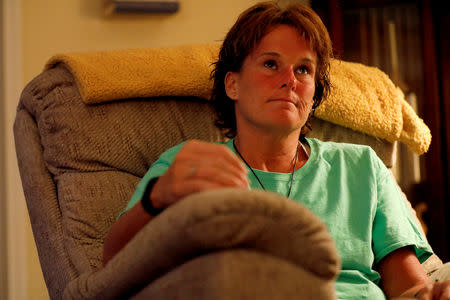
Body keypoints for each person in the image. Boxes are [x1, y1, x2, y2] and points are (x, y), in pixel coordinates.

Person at [103, 1, 450, 299]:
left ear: (314, 94)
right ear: (232, 83)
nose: (290, 79)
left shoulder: (361, 166)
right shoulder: (190, 165)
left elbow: (407, 283)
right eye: (271, 64)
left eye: (304, 69)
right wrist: (157, 197)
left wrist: (430, 295)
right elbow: (115, 266)